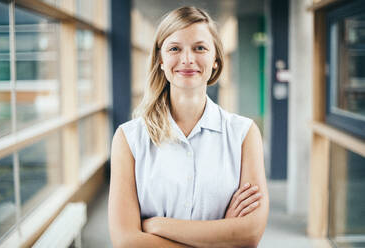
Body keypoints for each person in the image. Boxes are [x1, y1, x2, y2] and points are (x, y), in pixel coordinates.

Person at [108, 6, 269, 247]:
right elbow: (127, 241)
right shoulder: (129, 138)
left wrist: (158, 225)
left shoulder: (244, 134)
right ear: (160, 60)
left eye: (200, 48)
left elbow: (250, 234)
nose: (187, 59)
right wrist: (222, 236)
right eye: (174, 48)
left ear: (215, 60)